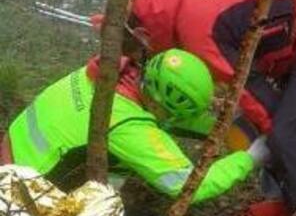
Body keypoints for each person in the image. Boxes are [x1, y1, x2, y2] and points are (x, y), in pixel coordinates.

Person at [127, 0, 296, 209]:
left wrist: (276, 140)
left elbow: (248, 89)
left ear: (146, 32)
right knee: (285, 132)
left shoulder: (195, 29)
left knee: (287, 135)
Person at [1, 49, 267, 203]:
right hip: (21, 196)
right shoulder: (126, 125)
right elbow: (187, 185)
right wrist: (250, 158)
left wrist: (220, 125)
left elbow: (165, 115)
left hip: (12, 152)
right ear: (160, 103)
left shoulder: (107, 72)